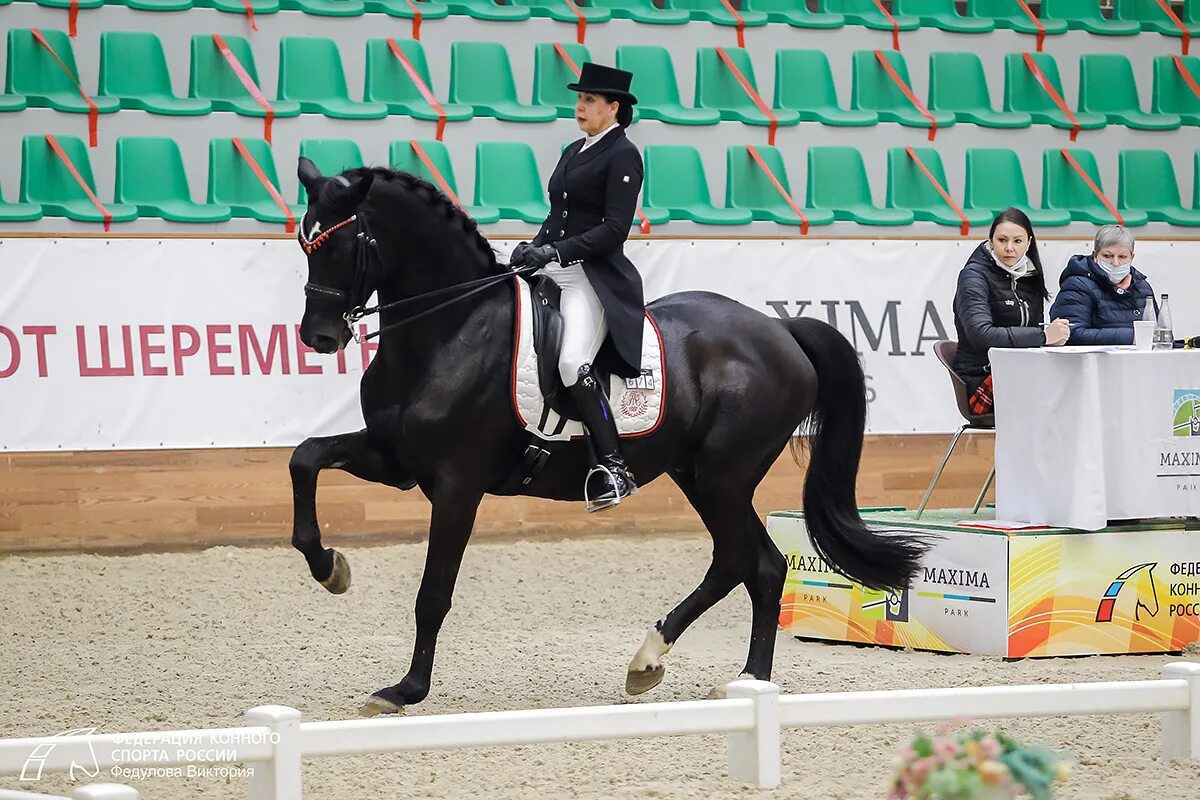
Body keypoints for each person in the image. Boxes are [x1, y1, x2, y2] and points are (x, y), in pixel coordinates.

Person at [509, 62, 645, 511]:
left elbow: (613, 229)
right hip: (554, 268)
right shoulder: (573, 149)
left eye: (589, 100)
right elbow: (558, 216)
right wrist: (534, 247)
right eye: (580, 99)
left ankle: (614, 467)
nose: (580, 106)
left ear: (614, 108)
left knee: (573, 365)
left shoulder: (623, 154)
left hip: (593, 278)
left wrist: (556, 253)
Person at [952, 208, 1070, 416]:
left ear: (1029, 243)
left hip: (1022, 372)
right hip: (983, 378)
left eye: (1017, 241)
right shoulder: (972, 277)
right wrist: (1043, 337)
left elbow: (1035, 332)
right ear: (990, 241)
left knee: (1074, 392)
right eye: (1002, 240)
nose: (1009, 248)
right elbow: (981, 335)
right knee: (1062, 404)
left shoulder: (1030, 275)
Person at [1048, 225, 1154, 346]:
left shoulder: (1142, 287)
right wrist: (1132, 336)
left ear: (1132, 257)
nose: (1115, 263)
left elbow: (1156, 332)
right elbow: (1070, 334)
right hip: (1090, 363)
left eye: (1122, 257)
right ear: (1095, 255)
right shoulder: (1077, 284)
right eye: (1107, 256)